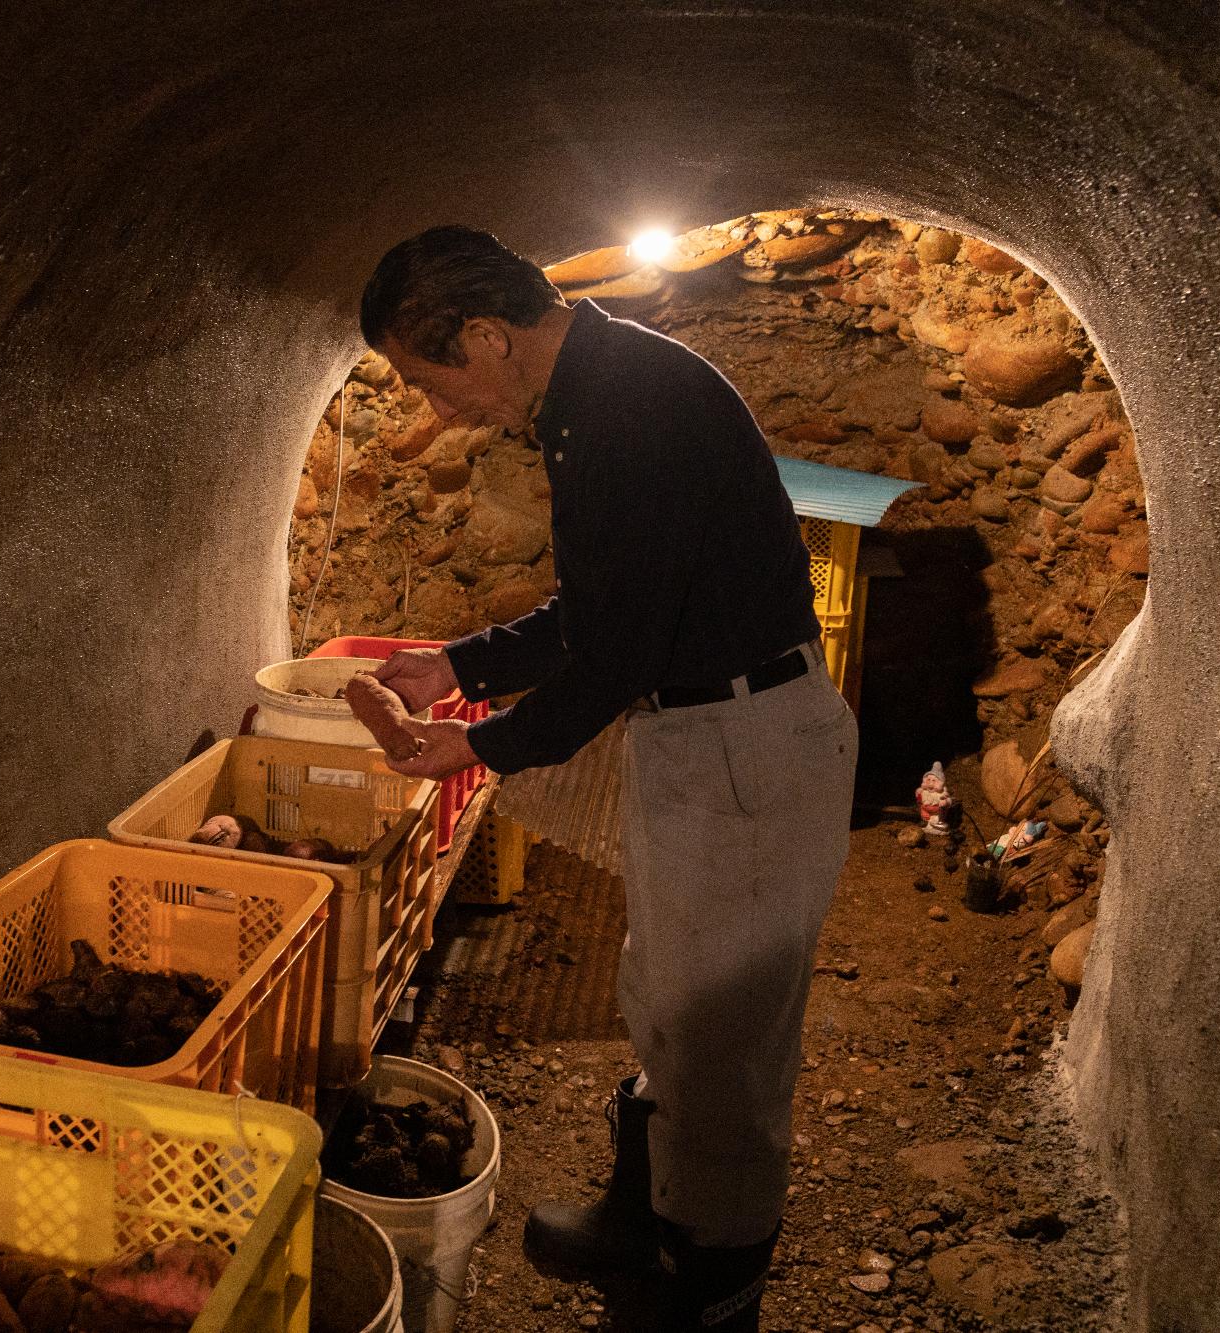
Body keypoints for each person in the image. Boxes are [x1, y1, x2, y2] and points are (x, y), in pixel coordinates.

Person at [360, 225, 858, 1331]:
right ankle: (651, 1223)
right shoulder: (595, 396)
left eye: (427, 377)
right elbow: (599, 610)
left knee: (719, 1032)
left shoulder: (625, 408)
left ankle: (704, 1289)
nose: (436, 409)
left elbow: (618, 648)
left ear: (485, 335)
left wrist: (478, 745)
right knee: (666, 995)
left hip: (744, 739)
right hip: (704, 734)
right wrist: (459, 664)